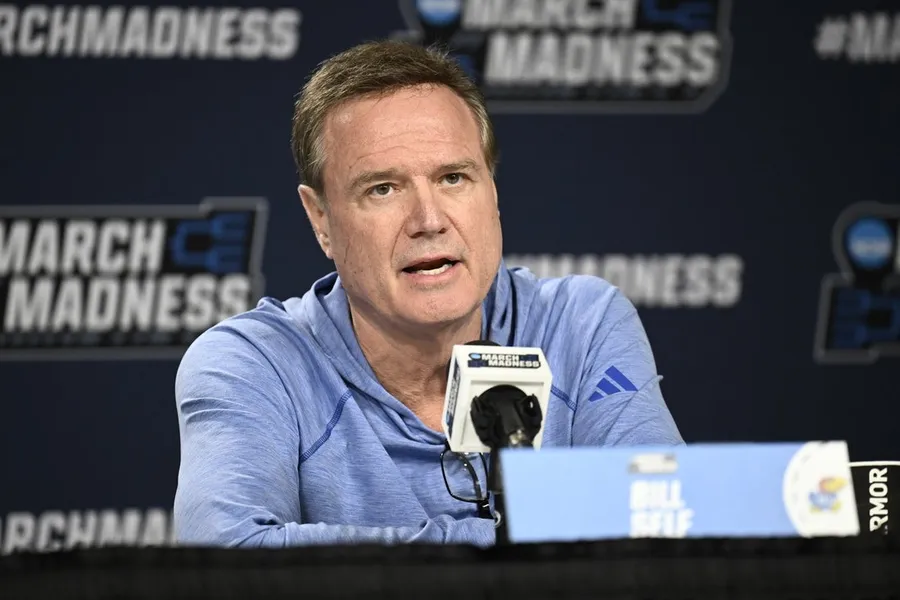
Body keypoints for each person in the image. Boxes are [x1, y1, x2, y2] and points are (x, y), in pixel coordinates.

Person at [173, 39, 683, 549]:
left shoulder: (581, 326)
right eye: (383, 189)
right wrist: (510, 543)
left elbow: (665, 524)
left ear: (493, 192)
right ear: (320, 219)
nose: (429, 220)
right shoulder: (255, 364)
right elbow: (226, 553)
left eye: (453, 178)